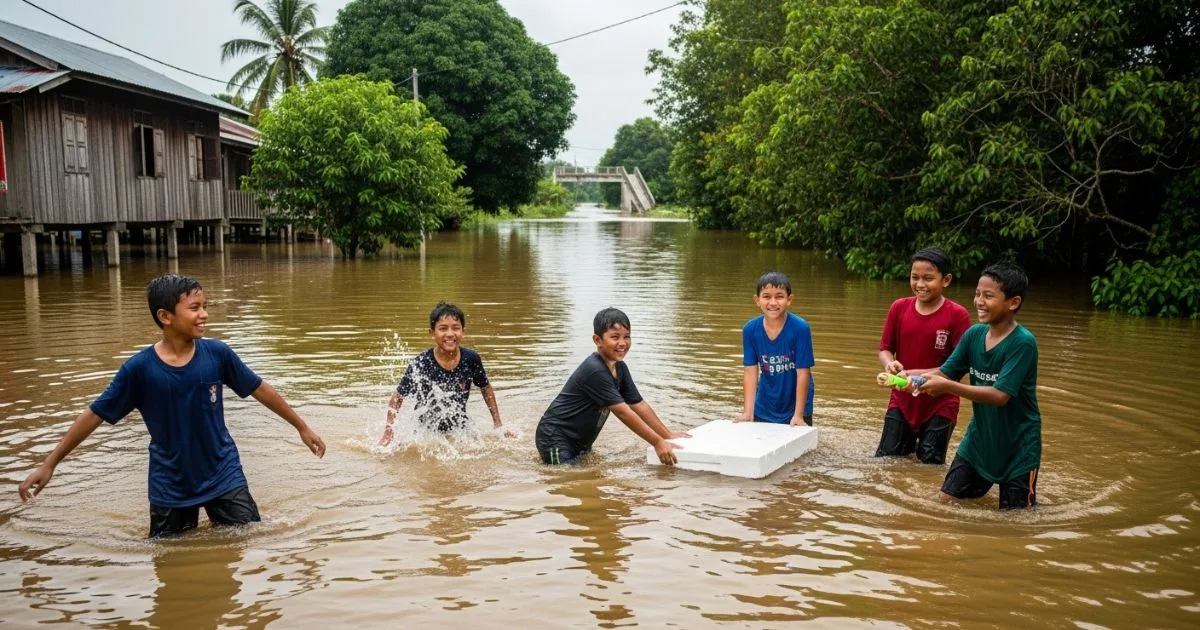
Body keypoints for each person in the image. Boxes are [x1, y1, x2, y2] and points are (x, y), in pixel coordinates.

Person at [17, 274, 326, 537]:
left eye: (205, 306)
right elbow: (95, 414)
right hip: (171, 485)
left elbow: (259, 388)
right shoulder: (139, 369)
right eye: (194, 308)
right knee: (169, 557)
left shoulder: (218, 354)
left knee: (248, 539)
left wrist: (301, 426)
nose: (204, 314)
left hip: (223, 474)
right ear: (165, 317)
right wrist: (50, 463)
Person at [916, 262, 1041, 510]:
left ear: (1013, 303)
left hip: (1018, 447)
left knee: (1016, 521)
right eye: (977, 294)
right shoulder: (973, 335)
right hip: (979, 441)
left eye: (988, 296)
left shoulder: (1023, 343)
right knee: (944, 504)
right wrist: (908, 377)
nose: (979, 302)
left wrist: (947, 387)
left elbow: (999, 395)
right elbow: (944, 372)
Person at [536, 307, 688, 465]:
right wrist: (657, 442)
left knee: (584, 476)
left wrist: (667, 436)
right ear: (597, 340)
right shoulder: (594, 370)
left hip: (580, 440)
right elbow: (623, 413)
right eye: (615, 337)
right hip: (555, 438)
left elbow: (638, 404)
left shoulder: (620, 367)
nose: (622, 343)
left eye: (627, 337)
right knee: (565, 479)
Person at [875, 247, 972, 464]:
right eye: (915, 277)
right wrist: (890, 364)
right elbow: (884, 349)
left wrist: (915, 375)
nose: (920, 284)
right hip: (902, 398)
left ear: (945, 280)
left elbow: (959, 365)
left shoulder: (957, 315)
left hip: (940, 403)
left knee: (930, 466)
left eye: (928, 278)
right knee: (887, 462)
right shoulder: (899, 308)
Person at [379, 302, 506, 445]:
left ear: (463, 331)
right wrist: (388, 432)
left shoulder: (471, 359)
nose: (450, 334)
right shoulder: (421, 363)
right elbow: (397, 396)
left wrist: (498, 425)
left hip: (460, 429)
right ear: (432, 333)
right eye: (443, 328)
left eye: (456, 328)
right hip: (425, 433)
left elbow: (485, 388)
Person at [736, 271, 816, 426]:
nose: (773, 302)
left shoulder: (800, 328)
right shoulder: (750, 330)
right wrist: (747, 412)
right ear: (757, 300)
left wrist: (799, 415)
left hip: (797, 402)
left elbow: (803, 373)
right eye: (766, 296)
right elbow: (750, 372)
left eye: (779, 296)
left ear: (789, 299)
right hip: (765, 401)